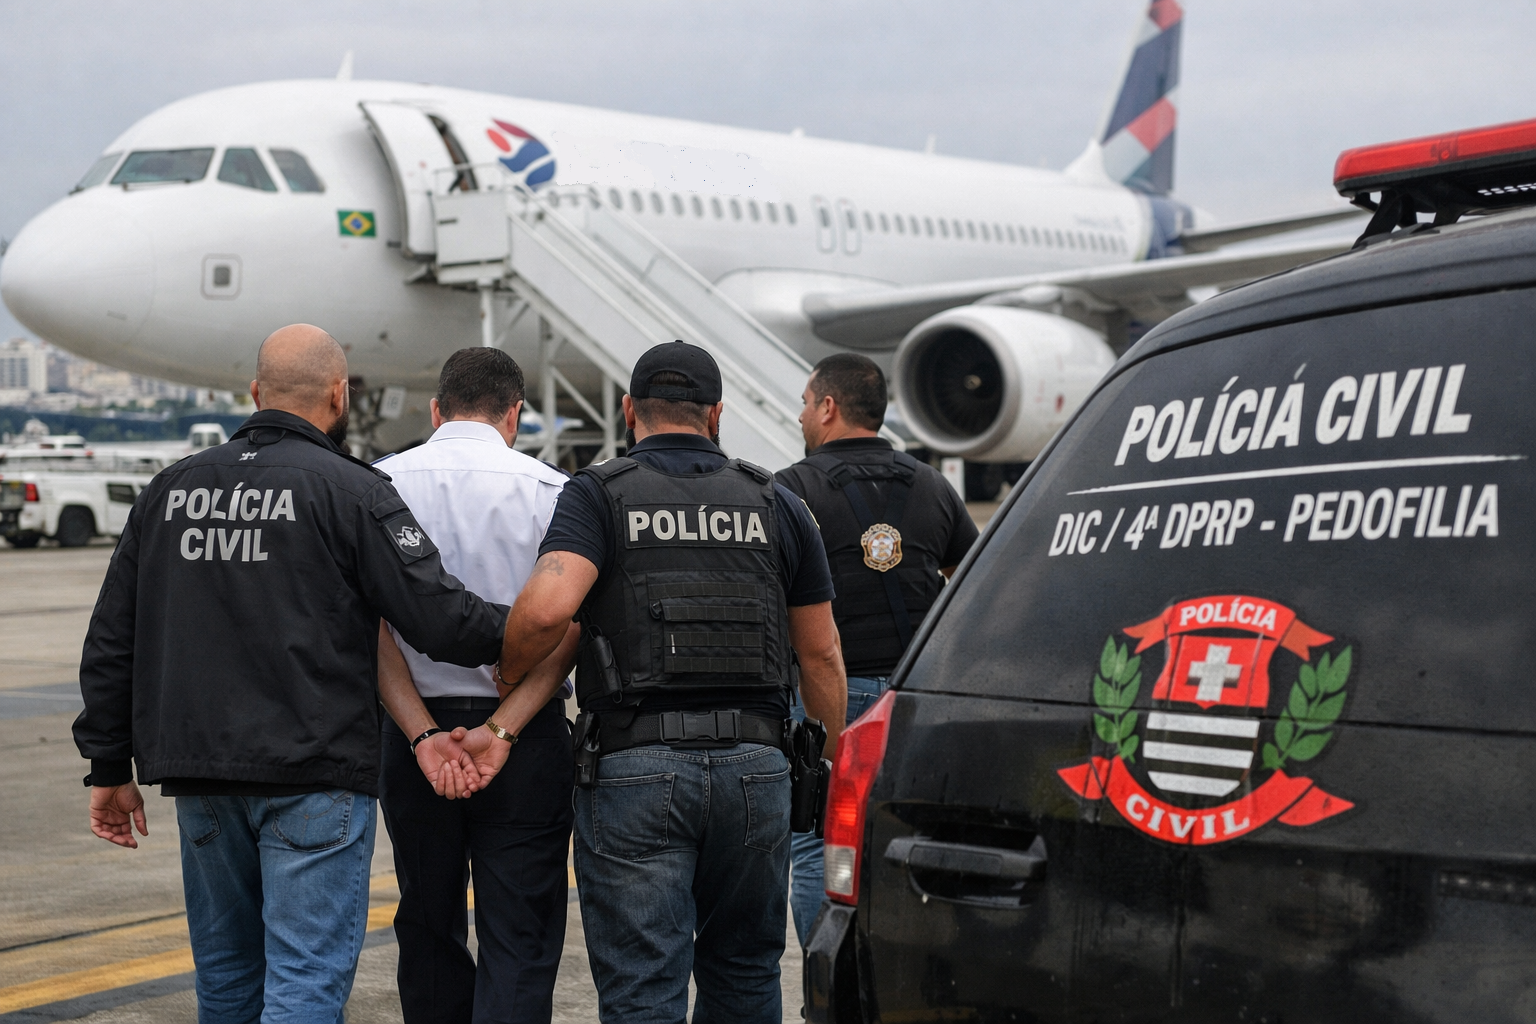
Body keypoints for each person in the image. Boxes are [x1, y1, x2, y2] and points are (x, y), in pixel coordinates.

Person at [74, 325, 512, 1023]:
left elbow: (112, 639)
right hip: (314, 773)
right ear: (339, 396)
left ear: (254, 393)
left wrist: (107, 765)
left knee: (225, 981)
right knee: (304, 980)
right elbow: (440, 620)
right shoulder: (350, 490)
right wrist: (541, 625)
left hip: (202, 778)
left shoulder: (171, 489)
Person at [455, 340, 847, 1024]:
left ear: (631, 410)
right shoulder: (776, 502)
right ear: (716, 414)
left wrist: (509, 673)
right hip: (757, 768)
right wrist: (828, 762)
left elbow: (548, 611)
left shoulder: (600, 494)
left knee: (643, 987)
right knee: (746, 972)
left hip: (637, 767)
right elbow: (821, 657)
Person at [372, 347, 581, 1024]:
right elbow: (568, 628)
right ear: (514, 415)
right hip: (522, 733)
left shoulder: (377, 486)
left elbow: (364, 630)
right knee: (520, 933)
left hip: (413, 734)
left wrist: (424, 734)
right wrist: (500, 728)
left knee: (428, 922)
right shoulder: (554, 492)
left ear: (436, 410)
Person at [774, 352, 980, 944]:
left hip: (825, 695)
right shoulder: (931, 484)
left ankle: (827, 981)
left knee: (816, 844)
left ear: (829, 408)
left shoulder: (791, 489)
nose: (802, 416)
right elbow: (969, 578)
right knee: (906, 838)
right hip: (911, 698)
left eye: (807, 403)